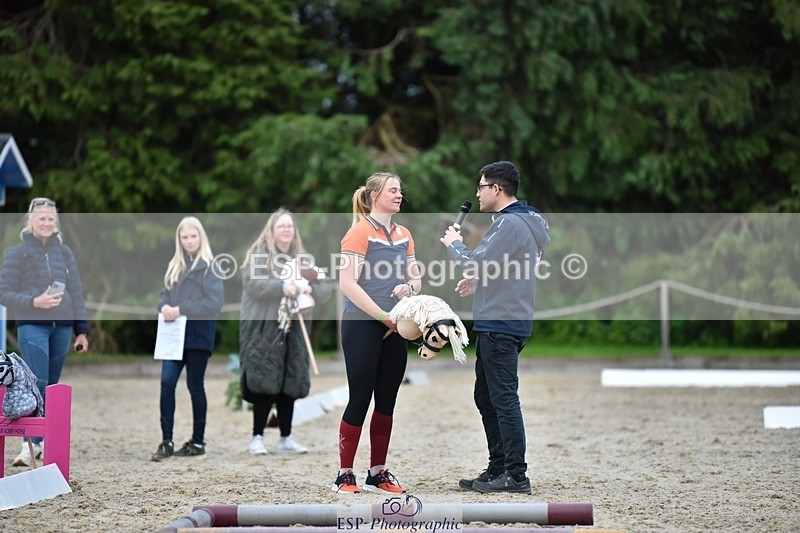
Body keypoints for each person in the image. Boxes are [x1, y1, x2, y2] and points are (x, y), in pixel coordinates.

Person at [440, 161, 550, 494]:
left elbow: (475, 262)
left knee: (502, 398)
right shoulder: (526, 222)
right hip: (504, 316)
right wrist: (481, 284)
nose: (477, 192)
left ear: (496, 190)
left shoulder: (510, 224)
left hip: (501, 322)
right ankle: (498, 466)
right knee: (486, 396)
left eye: (481, 187)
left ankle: (515, 474)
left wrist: (454, 245)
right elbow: (511, 267)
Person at [333, 172, 421, 494]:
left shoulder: (404, 234)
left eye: (400, 190)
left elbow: (417, 279)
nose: (399, 195)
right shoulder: (358, 233)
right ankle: (344, 475)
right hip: (363, 324)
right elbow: (347, 284)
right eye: (393, 190)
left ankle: (378, 472)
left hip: (396, 324)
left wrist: (408, 288)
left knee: (387, 400)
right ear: (374, 196)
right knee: (360, 398)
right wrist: (383, 316)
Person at [0, 197, 89, 467]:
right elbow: (4, 292)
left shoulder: (65, 253)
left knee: (52, 386)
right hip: (32, 325)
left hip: (61, 327)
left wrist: (81, 330)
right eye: (42, 218)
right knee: (36, 383)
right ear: (31, 220)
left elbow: (76, 292)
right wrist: (33, 302)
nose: (47, 223)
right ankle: (30, 445)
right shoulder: (17, 253)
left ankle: (42, 442)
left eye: (51, 219)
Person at [238, 208, 333, 455]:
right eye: (281, 226)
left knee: (289, 380)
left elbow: (325, 287)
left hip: (295, 328)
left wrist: (309, 288)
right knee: (264, 379)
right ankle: (257, 436)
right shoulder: (259, 256)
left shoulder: (304, 260)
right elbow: (251, 284)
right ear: (272, 230)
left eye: (289, 226)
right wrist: (282, 286)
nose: (286, 230)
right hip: (265, 327)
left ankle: (286, 437)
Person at [151, 216, 224, 461]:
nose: (190, 241)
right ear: (179, 240)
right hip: (173, 337)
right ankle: (166, 439)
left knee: (195, 386)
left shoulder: (210, 267)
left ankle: (198, 440)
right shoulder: (175, 267)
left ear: (200, 237)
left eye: (193, 236)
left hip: (198, 336)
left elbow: (214, 302)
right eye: (185, 237)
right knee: (167, 383)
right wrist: (163, 307)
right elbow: (164, 295)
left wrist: (181, 308)